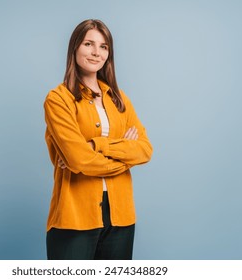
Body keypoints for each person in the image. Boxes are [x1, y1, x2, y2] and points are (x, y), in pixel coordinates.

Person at [43, 19, 153, 260]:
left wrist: (96, 145)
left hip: (121, 217)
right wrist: (125, 158)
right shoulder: (58, 99)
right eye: (88, 44)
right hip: (74, 218)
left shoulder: (119, 99)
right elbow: (79, 160)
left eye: (103, 47)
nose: (96, 52)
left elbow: (145, 149)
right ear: (74, 48)